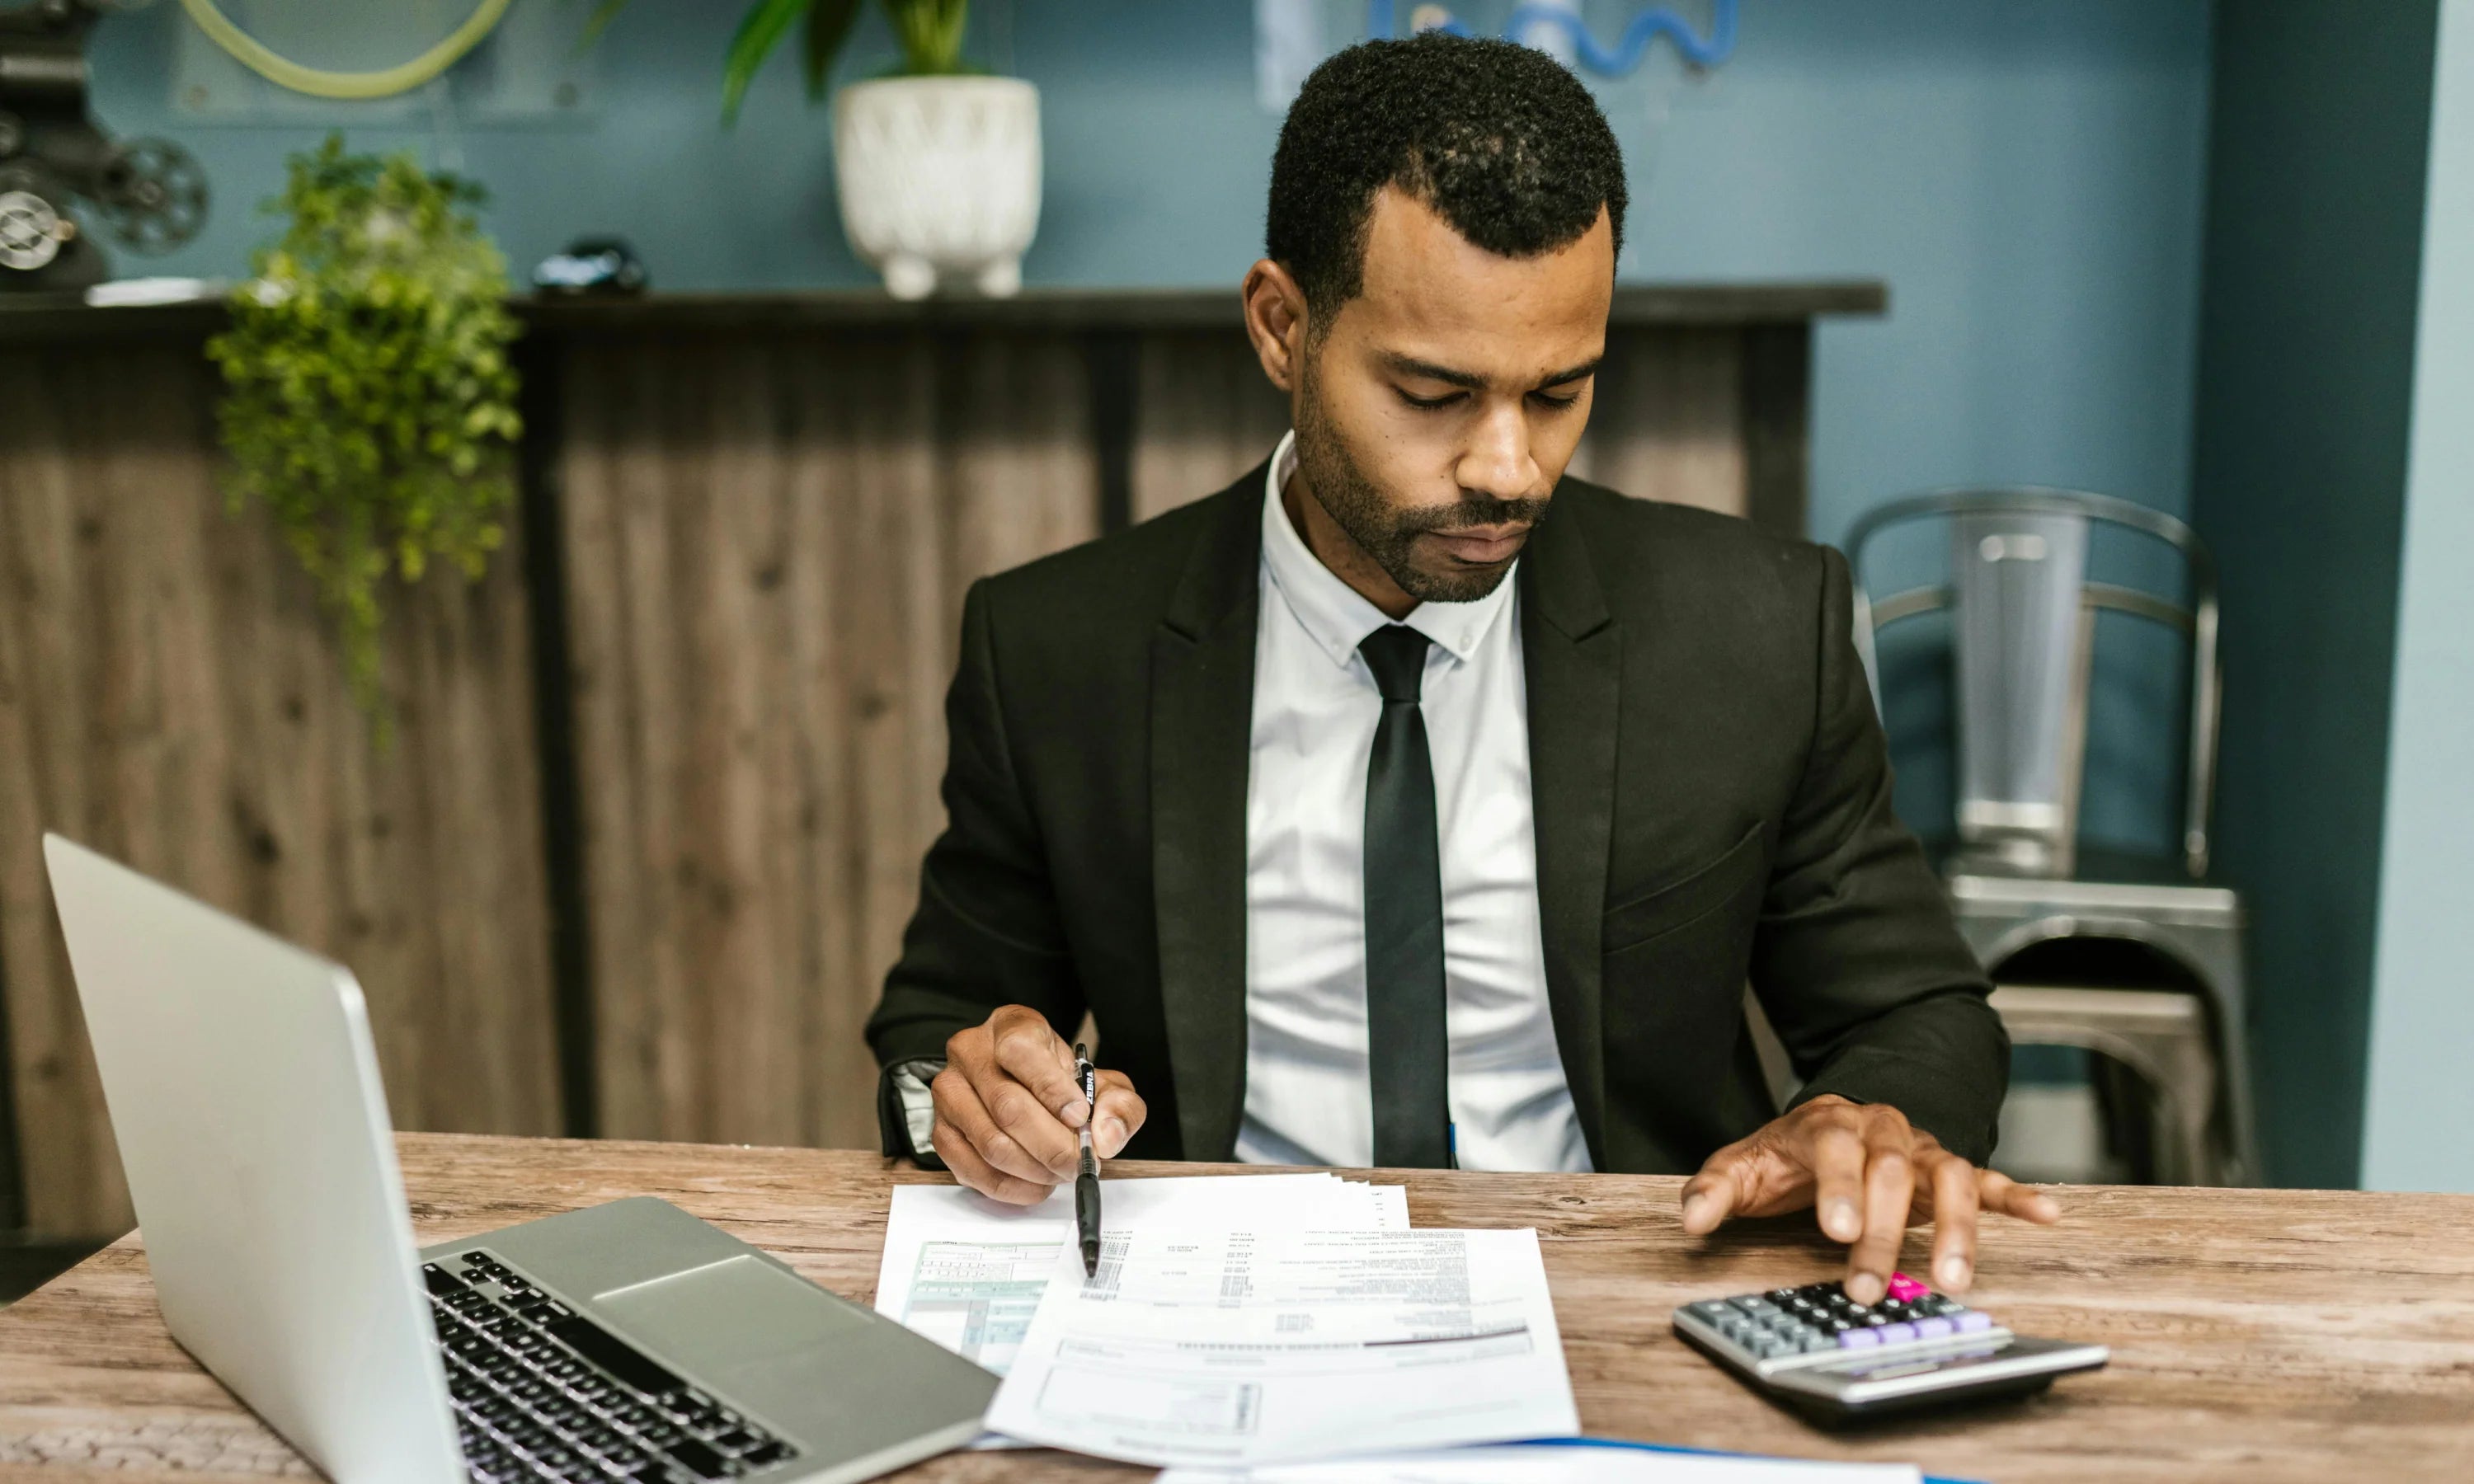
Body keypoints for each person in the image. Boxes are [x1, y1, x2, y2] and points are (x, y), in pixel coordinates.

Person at [866, 31, 2058, 1306]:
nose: (1507, 467)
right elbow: (938, 1033)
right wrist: (968, 1098)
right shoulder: (1059, 648)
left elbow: (1921, 1014)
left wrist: (1865, 1115)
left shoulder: (1759, 629)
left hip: (1635, 1295)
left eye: (1559, 392)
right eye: (1433, 392)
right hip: (1214, 1306)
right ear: (1283, 327)